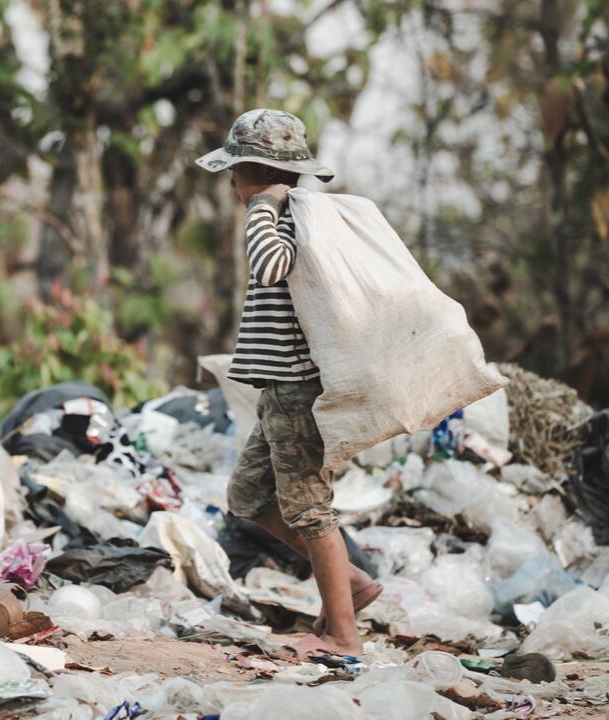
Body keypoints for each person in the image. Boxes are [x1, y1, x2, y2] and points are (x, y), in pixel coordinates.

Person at [195, 108, 381, 657]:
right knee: (248, 497)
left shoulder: (286, 218)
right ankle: (352, 582)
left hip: (299, 389)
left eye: (236, 172)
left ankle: (344, 637)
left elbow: (271, 267)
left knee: (308, 508)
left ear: (258, 172)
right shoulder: (287, 213)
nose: (230, 183)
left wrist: (263, 205)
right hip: (279, 388)